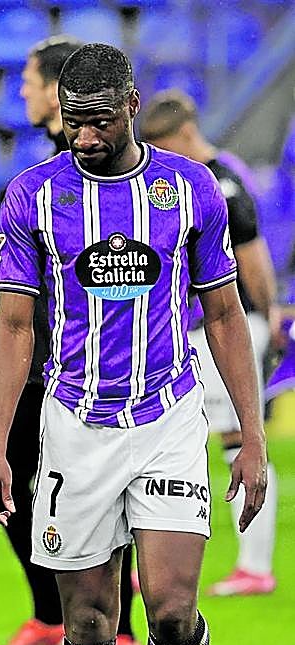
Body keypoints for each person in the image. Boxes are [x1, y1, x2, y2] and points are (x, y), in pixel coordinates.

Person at [0, 44, 267, 645]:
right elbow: (9, 327)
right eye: (72, 121)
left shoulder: (188, 188)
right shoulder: (33, 196)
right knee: (87, 624)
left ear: (132, 105)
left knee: (172, 613)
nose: (82, 137)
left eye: (98, 121)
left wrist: (250, 436)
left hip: (167, 418)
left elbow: (221, 314)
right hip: (72, 425)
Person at [0, 35, 145, 645]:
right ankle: (50, 616)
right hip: (36, 358)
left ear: (57, 89)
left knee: (111, 491)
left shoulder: (98, 169)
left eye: (30, 81)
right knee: (12, 485)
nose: (23, 92)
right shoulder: (42, 176)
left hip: (89, 365)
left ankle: (124, 629)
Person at [141, 90, 282, 597]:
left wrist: (270, 315)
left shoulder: (220, 182)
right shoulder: (188, 182)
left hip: (230, 326)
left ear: (183, 134)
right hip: (204, 331)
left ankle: (255, 565)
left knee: (237, 441)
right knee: (190, 439)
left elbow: (252, 255)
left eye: (163, 143)